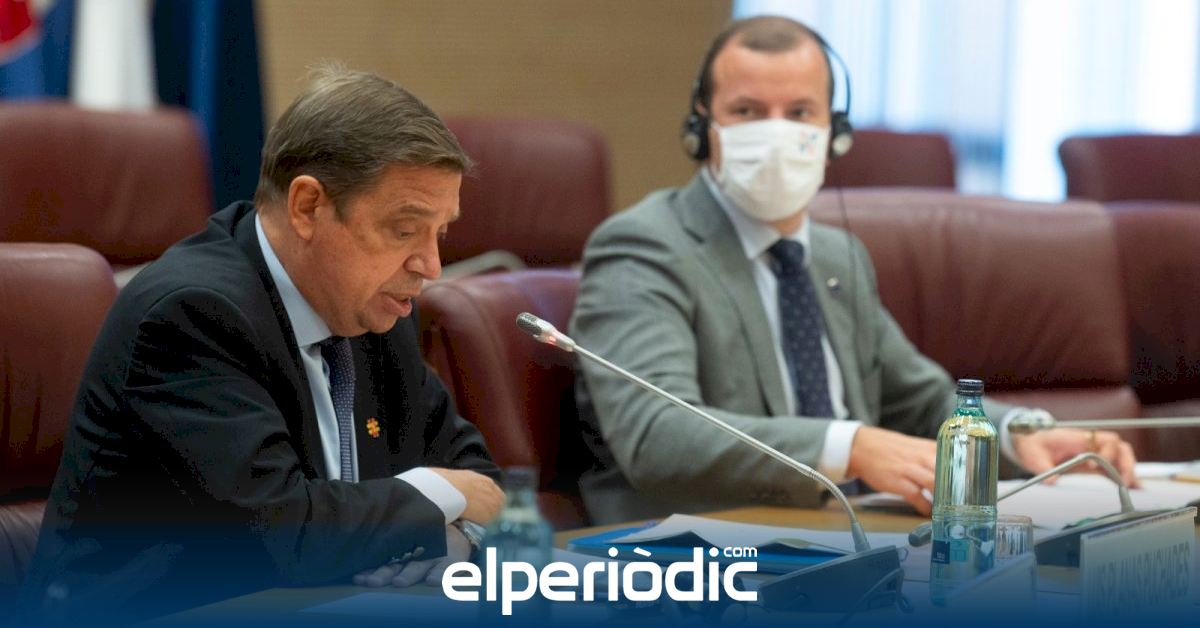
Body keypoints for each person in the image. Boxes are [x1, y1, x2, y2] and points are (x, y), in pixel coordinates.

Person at [570, 16, 1137, 524]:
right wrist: (849, 448)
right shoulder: (643, 246)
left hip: (853, 538)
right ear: (702, 129)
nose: (775, 133)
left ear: (834, 135)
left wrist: (1017, 435)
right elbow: (657, 434)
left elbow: (921, 402)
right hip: (700, 551)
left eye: (799, 113)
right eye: (747, 112)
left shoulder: (837, 256)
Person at [20, 65, 504, 622]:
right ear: (308, 206)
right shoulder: (192, 315)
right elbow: (282, 532)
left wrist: (453, 535)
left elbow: (481, 478)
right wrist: (436, 495)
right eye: (404, 230)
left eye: (440, 233)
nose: (431, 266)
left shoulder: (376, 311)